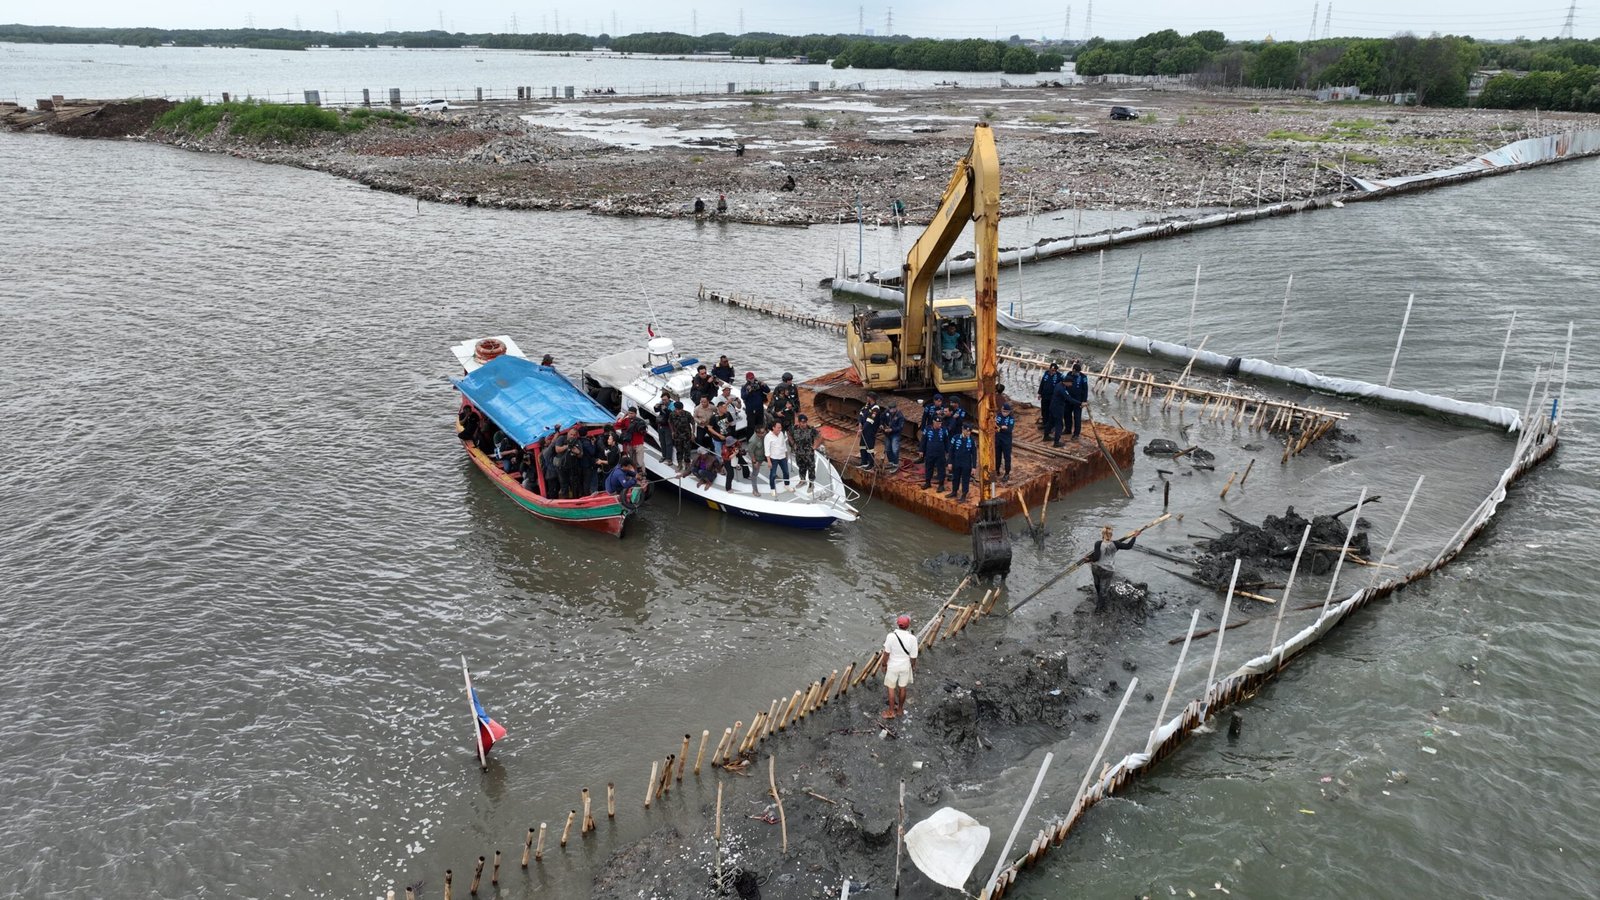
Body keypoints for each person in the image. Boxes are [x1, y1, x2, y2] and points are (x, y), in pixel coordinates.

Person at [1088, 525, 1139, 611]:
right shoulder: (1116, 544)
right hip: (1107, 570)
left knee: (1097, 584)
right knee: (1103, 589)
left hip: (1096, 567)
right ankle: (1099, 609)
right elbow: (1128, 546)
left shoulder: (1098, 543)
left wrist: (1088, 559)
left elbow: (1096, 557)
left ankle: (1099, 597)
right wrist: (1134, 536)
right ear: (1111, 535)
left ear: (1102, 534)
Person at [882, 614, 918, 719]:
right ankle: (900, 710)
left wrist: (884, 664)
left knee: (891, 688)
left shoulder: (891, 636)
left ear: (897, 624)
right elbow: (913, 656)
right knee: (903, 688)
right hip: (905, 666)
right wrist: (913, 665)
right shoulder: (912, 638)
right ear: (908, 625)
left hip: (893, 666)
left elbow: (886, 653)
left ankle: (890, 712)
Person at [790, 413, 822, 491]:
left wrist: (815, 446)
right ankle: (802, 480)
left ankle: (811, 484)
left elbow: (820, 437)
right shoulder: (794, 429)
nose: (804, 424)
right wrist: (793, 444)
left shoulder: (811, 429)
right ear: (799, 422)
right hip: (799, 453)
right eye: (802, 422)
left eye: (805, 422)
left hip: (808, 454)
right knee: (801, 467)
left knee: (811, 468)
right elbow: (789, 435)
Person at [946, 420, 977, 501]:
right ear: (963, 430)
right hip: (956, 462)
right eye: (967, 431)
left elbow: (974, 454)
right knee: (955, 478)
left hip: (966, 464)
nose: (968, 433)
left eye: (970, 431)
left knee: (965, 480)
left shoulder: (972, 441)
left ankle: (964, 494)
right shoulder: (955, 438)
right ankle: (954, 492)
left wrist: (974, 467)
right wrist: (949, 462)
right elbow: (951, 451)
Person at [920, 416, 948, 492]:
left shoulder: (944, 430)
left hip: (940, 454)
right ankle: (927, 482)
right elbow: (923, 441)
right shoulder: (927, 429)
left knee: (941, 469)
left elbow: (946, 441)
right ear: (933, 422)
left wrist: (948, 452)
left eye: (940, 423)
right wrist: (921, 451)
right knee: (929, 467)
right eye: (937, 423)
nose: (939, 425)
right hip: (930, 453)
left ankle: (941, 485)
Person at [668, 401, 696, 472]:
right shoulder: (672, 414)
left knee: (687, 451)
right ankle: (679, 464)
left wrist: (693, 433)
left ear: (682, 408)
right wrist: (672, 431)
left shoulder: (687, 414)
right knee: (679, 451)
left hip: (687, 436)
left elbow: (693, 423)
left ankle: (687, 465)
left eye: (679, 409)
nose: (678, 411)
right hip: (677, 436)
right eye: (676, 409)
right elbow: (670, 422)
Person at [764, 420, 792, 491]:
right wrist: (769, 461)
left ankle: (786, 485)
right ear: (773, 427)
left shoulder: (781, 434)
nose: (780, 429)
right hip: (774, 459)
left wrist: (786, 454)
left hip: (782, 457)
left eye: (780, 427)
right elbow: (767, 450)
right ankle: (772, 488)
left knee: (786, 472)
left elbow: (783, 445)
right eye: (778, 428)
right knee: (773, 474)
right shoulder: (767, 437)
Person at [1064, 362, 1090, 439]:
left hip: (1078, 401)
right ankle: (1068, 429)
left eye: (1079, 372)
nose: (1078, 373)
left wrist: (1084, 401)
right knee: (1067, 415)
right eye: (1076, 372)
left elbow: (1085, 389)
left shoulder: (1083, 377)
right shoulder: (1069, 374)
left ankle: (1076, 434)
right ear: (1073, 370)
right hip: (1068, 399)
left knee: (1077, 417)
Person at [1047, 375, 1072, 446]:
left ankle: (1046, 436)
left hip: (1052, 407)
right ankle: (1056, 442)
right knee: (1059, 425)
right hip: (1058, 409)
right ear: (1067, 382)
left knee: (1050, 422)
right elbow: (1069, 398)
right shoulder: (1062, 389)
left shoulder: (1059, 385)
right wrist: (1080, 403)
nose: (1071, 385)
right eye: (1071, 383)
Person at [1038, 362, 1063, 428]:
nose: (1053, 372)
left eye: (1054, 370)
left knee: (1051, 411)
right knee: (1044, 410)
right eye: (1052, 370)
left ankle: (1050, 426)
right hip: (1044, 395)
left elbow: (1063, 386)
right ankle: (1044, 423)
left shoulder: (1059, 376)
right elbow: (1042, 383)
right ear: (1049, 369)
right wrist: (1039, 393)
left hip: (1053, 397)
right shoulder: (1046, 373)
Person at [995, 402, 1016, 482]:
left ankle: (1007, 473)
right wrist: (1001, 427)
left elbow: (1009, 429)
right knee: (997, 456)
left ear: (1009, 412)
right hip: (998, 439)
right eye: (1003, 411)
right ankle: (997, 470)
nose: (1004, 413)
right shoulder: (998, 416)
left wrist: (1000, 427)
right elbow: (995, 426)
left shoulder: (1011, 419)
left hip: (1006, 441)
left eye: (1006, 411)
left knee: (1007, 457)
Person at [882, 404, 905, 468]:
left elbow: (900, 427)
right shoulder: (887, 411)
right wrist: (881, 424)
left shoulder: (900, 416)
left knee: (895, 449)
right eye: (889, 409)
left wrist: (891, 430)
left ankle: (895, 464)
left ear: (895, 408)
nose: (890, 411)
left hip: (895, 435)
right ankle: (891, 462)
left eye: (891, 409)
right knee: (888, 449)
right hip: (887, 434)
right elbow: (882, 418)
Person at [857, 403, 879, 468]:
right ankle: (864, 462)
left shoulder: (875, 408)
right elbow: (861, 414)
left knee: (870, 448)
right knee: (862, 446)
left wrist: (862, 429)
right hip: (864, 430)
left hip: (870, 431)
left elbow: (870, 420)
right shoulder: (866, 407)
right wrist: (860, 422)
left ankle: (871, 464)